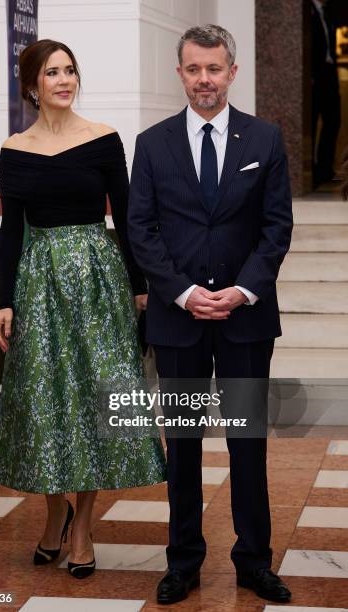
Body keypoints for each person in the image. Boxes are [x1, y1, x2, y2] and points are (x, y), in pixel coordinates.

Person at [128, 25, 293, 605]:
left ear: (232, 71)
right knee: (185, 443)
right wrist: (181, 292)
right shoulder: (151, 144)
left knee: (248, 441)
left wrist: (243, 290)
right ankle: (183, 561)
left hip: (245, 318)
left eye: (214, 69)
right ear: (180, 72)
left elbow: (277, 228)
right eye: (194, 69)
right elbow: (140, 230)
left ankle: (254, 561)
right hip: (178, 321)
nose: (204, 80)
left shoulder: (265, 139)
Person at [0, 39, 166, 579]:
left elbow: (129, 217)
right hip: (39, 281)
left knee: (97, 402)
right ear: (32, 85)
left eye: (70, 71)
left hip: (98, 279)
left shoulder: (104, 139)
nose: (65, 80)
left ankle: (84, 528)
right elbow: (9, 229)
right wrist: (4, 299)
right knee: (43, 404)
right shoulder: (15, 148)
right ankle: (55, 513)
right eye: (52, 73)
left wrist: (140, 288)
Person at [311, 0, 340, 186]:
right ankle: (311, 169)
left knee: (333, 121)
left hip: (329, 74)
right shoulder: (308, 12)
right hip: (314, 76)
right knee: (311, 122)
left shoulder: (326, 13)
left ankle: (324, 168)